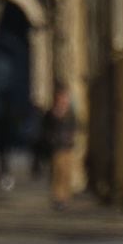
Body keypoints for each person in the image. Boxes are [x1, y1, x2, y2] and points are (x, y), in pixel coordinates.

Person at [41, 83, 80, 211]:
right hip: (56, 148)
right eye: (61, 97)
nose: (63, 100)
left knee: (66, 174)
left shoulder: (70, 113)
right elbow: (45, 129)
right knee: (57, 173)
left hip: (68, 147)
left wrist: (72, 139)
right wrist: (51, 140)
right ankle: (58, 198)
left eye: (65, 97)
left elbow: (76, 126)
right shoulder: (51, 113)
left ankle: (65, 198)